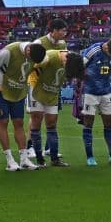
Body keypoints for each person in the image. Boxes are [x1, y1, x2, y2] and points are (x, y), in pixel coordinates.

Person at [0, 40, 43, 171]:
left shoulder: (36, 53)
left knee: (19, 122)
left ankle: (24, 159)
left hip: (18, 91)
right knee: (3, 121)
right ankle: (9, 160)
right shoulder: (9, 52)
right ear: (28, 50)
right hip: (1, 89)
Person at [28, 49, 85, 167]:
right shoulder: (49, 57)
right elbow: (31, 66)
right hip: (36, 90)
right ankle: (39, 159)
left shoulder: (75, 61)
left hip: (53, 92)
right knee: (36, 122)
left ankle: (54, 159)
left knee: (52, 124)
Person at [78, 38, 111, 166]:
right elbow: (79, 67)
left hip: (106, 92)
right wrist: (82, 82)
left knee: (109, 124)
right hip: (90, 92)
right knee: (88, 124)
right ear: (107, 48)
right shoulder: (93, 51)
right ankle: (90, 157)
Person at [24, 18, 68, 159]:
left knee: (52, 117)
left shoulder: (62, 44)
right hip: (36, 82)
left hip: (52, 84)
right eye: (62, 31)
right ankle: (30, 146)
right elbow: (30, 62)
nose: (65, 33)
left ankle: (49, 148)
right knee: (36, 116)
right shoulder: (39, 43)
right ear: (54, 31)